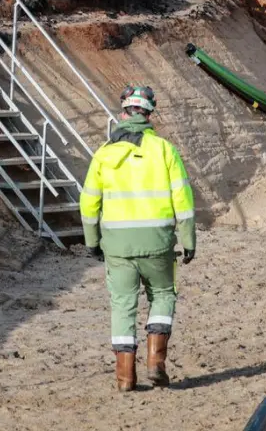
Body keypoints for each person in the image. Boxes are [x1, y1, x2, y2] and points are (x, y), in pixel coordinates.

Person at [80, 84, 196, 392]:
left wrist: (92, 241)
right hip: (158, 243)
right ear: (149, 114)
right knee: (163, 294)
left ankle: (125, 378)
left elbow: (89, 202)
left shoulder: (104, 154)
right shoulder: (164, 150)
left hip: (117, 246)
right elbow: (183, 200)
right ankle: (155, 362)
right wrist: (188, 240)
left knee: (122, 305)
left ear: (122, 114)